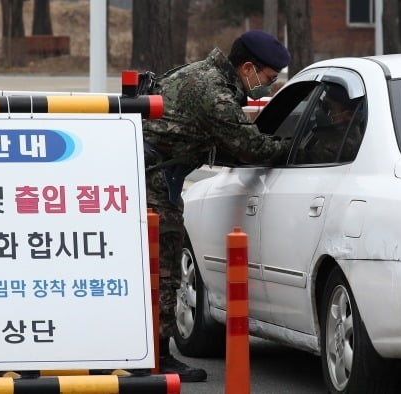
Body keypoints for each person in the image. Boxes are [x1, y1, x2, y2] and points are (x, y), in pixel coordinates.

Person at [142, 30, 291, 382]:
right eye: (268, 79)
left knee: (153, 269)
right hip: (153, 182)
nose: (267, 89)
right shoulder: (214, 93)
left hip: (152, 176)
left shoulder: (200, 75)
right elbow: (248, 146)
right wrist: (295, 148)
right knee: (162, 269)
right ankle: (159, 358)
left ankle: (148, 352)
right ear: (249, 68)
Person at [299, 84, 363, 164]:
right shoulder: (345, 135)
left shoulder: (340, 145)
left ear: (348, 115)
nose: (320, 112)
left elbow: (307, 161)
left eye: (329, 108)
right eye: (323, 106)